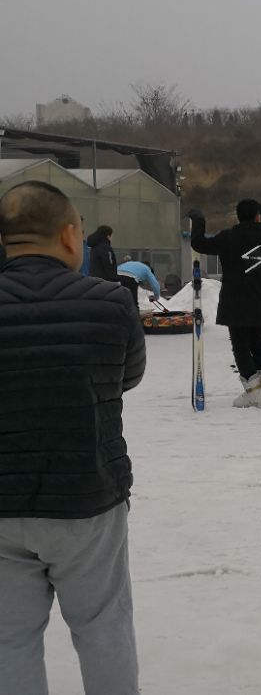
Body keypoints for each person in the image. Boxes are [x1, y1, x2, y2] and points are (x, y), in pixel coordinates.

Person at [0, 181, 146, 695]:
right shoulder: (111, 302)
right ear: (68, 235)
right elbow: (126, 377)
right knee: (102, 626)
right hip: (88, 496)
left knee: (9, 640)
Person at [189, 200, 261, 408]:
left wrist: (198, 220)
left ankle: (253, 391)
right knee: (258, 343)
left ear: (238, 216)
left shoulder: (228, 238)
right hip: (260, 299)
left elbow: (198, 244)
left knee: (241, 346)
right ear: (258, 217)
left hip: (235, 301)